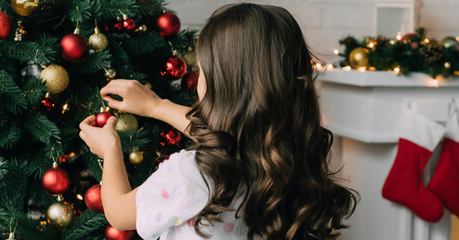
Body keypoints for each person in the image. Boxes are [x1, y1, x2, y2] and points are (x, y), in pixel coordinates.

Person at [79, 3, 358, 239]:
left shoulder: (190, 173)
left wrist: (110, 150)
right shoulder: (285, 154)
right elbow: (220, 136)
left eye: (204, 69)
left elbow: (118, 213)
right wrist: (156, 106)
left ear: (223, 84)